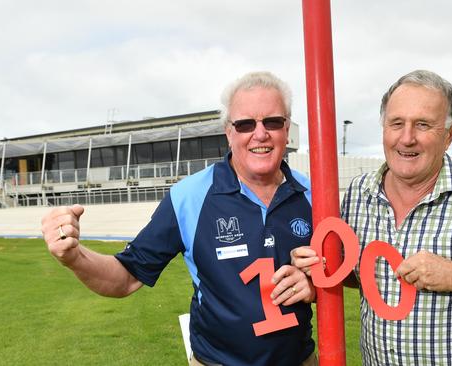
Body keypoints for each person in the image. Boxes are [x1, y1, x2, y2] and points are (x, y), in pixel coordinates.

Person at [41, 71, 318, 366]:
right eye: (245, 124)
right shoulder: (189, 196)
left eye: (272, 122)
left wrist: (314, 288)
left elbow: (340, 273)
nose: (260, 134)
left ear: (287, 130)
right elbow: (127, 277)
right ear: (229, 132)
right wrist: (74, 257)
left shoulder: (314, 194)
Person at [292, 70, 452, 365]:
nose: (407, 138)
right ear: (384, 129)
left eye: (423, 125)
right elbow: (359, 276)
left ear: (449, 134)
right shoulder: (358, 194)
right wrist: (322, 267)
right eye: (396, 123)